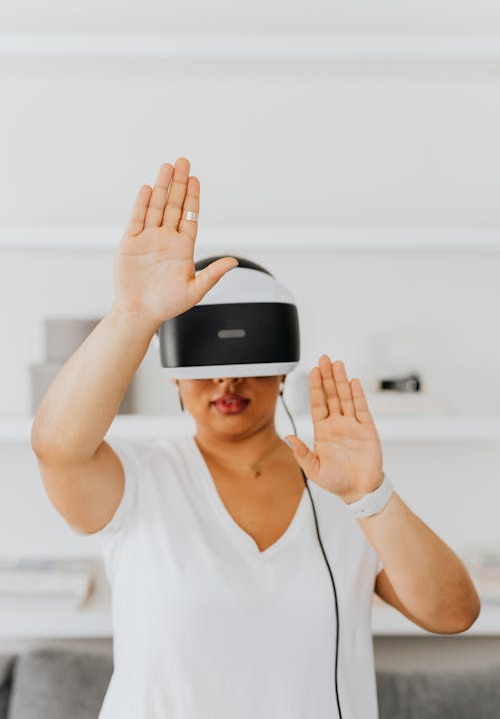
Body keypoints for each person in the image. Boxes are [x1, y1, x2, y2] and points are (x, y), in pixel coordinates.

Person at [31, 157, 481, 719]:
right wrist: (134, 315)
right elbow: (57, 446)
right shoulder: (138, 482)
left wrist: (371, 493)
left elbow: (454, 612)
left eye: (248, 361)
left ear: (280, 367)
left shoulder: (346, 495)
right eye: (209, 363)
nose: (228, 379)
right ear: (175, 374)